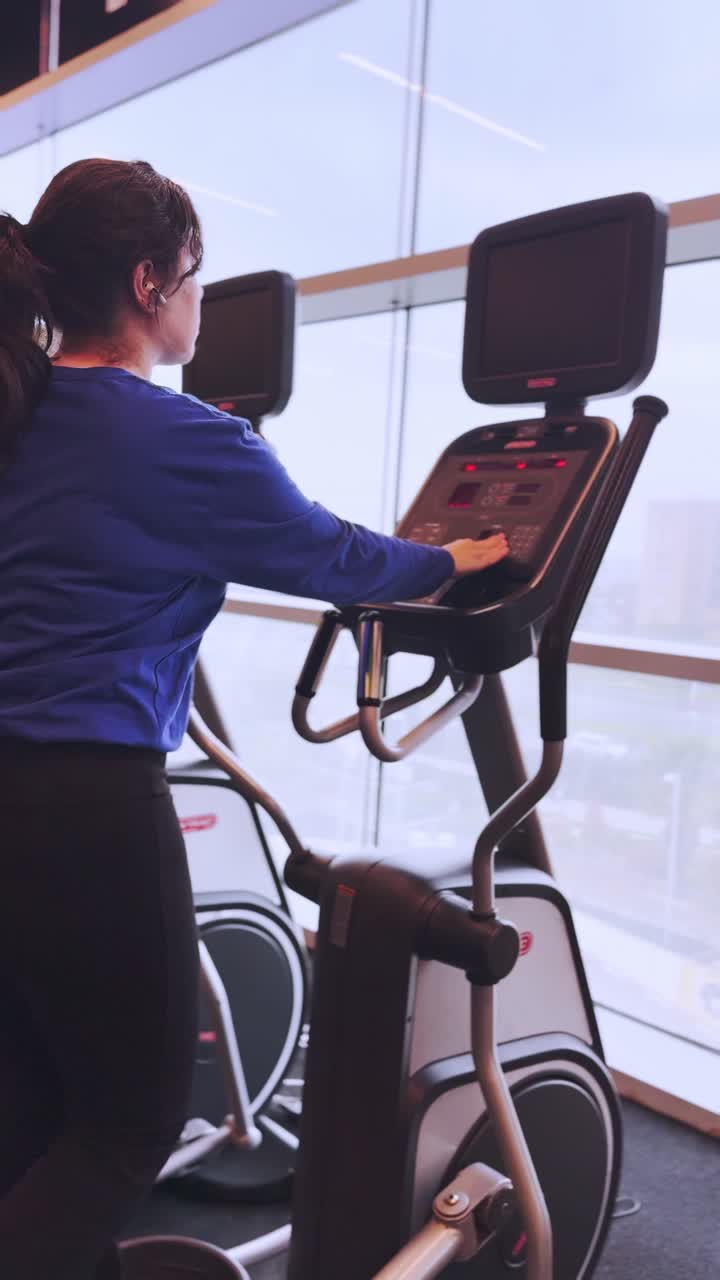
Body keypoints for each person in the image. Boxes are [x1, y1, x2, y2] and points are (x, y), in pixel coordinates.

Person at [0, 158, 508, 1280]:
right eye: (193, 275)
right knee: (127, 1124)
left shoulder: (22, 405)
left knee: (34, 1105)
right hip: (85, 806)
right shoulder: (182, 438)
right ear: (148, 283)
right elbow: (341, 559)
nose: (196, 299)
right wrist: (458, 556)